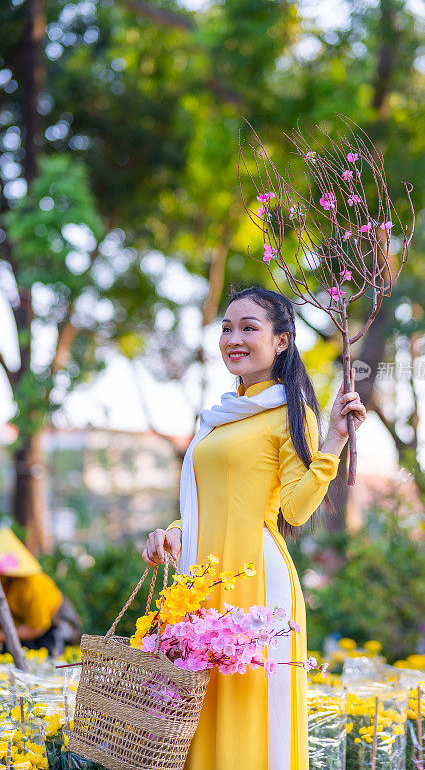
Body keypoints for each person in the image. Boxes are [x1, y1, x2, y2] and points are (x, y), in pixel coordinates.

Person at [142, 286, 367, 770]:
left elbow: (296, 508)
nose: (233, 338)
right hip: (201, 582)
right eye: (227, 327)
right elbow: (209, 498)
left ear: (282, 341)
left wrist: (334, 440)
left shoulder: (290, 414)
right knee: (198, 714)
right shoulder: (219, 417)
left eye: (249, 327)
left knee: (249, 712)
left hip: (255, 584)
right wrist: (175, 532)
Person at [0, 528, 82, 656]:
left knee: (46, 662)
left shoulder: (31, 585)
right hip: (22, 624)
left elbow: (37, 627)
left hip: (54, 625)